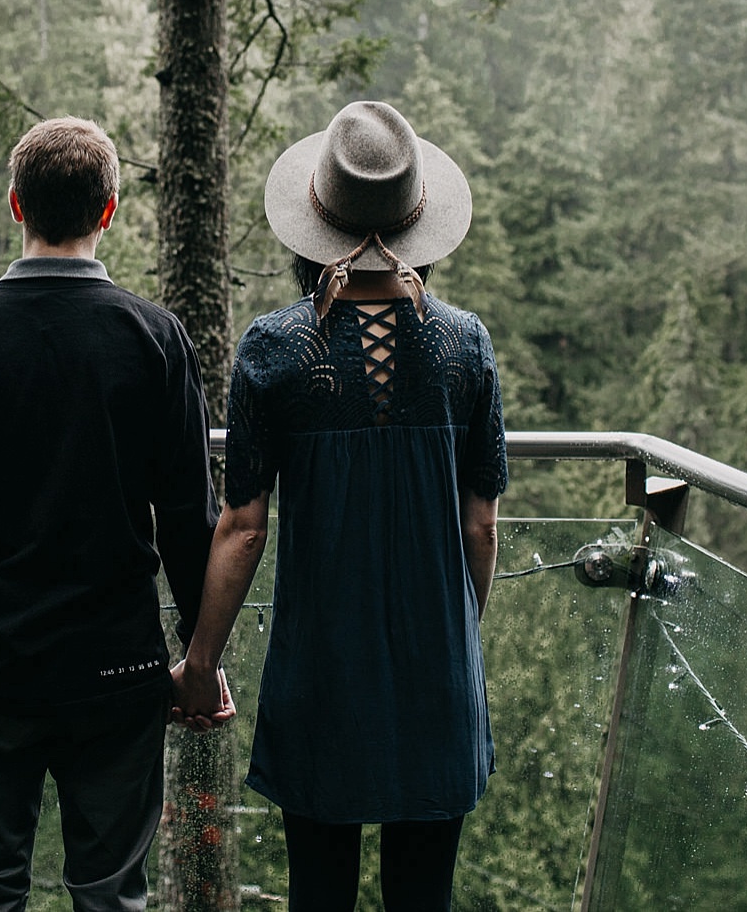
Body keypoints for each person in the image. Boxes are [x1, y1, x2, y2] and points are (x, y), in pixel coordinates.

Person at [174, 101, 506, 912]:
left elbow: (242, 528)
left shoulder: (275, 349)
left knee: (318, 896)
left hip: (320, 672)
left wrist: (200, 663)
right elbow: (481, 524)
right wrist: (458, 636)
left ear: (316, 220)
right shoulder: (467, 345)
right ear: (416, 218)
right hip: (436, 674)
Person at [0, 116, 219, 912]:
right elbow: (189, 518)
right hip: (116, 669)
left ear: (16, 205)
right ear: (109, 212)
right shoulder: (155, 339)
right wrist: (196, 659)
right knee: (111, 894)